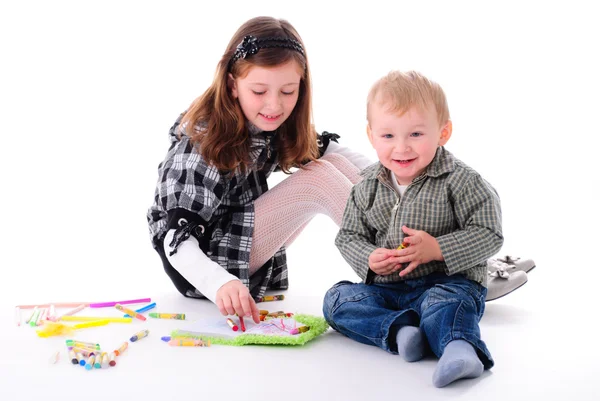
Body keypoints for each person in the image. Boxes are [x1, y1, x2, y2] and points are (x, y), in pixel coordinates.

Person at [147, 16, 371, 324]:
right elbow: (175, 239)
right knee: (318, 180)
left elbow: (335, 153)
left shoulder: (266, 123)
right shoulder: (203, 142)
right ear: (232, 85)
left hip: (235, 242)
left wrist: (399, 181)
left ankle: (402, 246)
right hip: (201, 264)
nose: (274, 105)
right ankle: (396, 272)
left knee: (334, 165)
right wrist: (218, 283)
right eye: (259, 91)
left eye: (288, 91)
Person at [323, 70, 502, 388]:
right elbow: (348, 235)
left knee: (447, 305)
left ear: (443, 132)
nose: (402, 148)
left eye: (416, 135)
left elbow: (489, 232)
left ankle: (460, 349)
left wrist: (438, 249)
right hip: (388, 290)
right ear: (371, 135)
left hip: (446, 283)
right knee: (337, 300)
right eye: (388, 136)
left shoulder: (460, 180)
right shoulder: (366, 185)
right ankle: (401, 331)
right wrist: (370, 258)